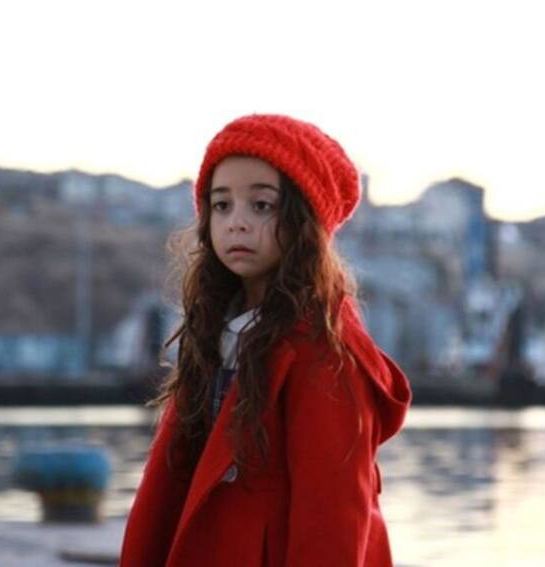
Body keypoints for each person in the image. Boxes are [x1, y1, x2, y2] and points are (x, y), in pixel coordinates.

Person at [119, 114, 412, 566]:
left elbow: (332, 520)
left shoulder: (325, 352)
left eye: (261, 205)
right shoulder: (216, 329)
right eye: (221, 205)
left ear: (304, 221)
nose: (237, 223)